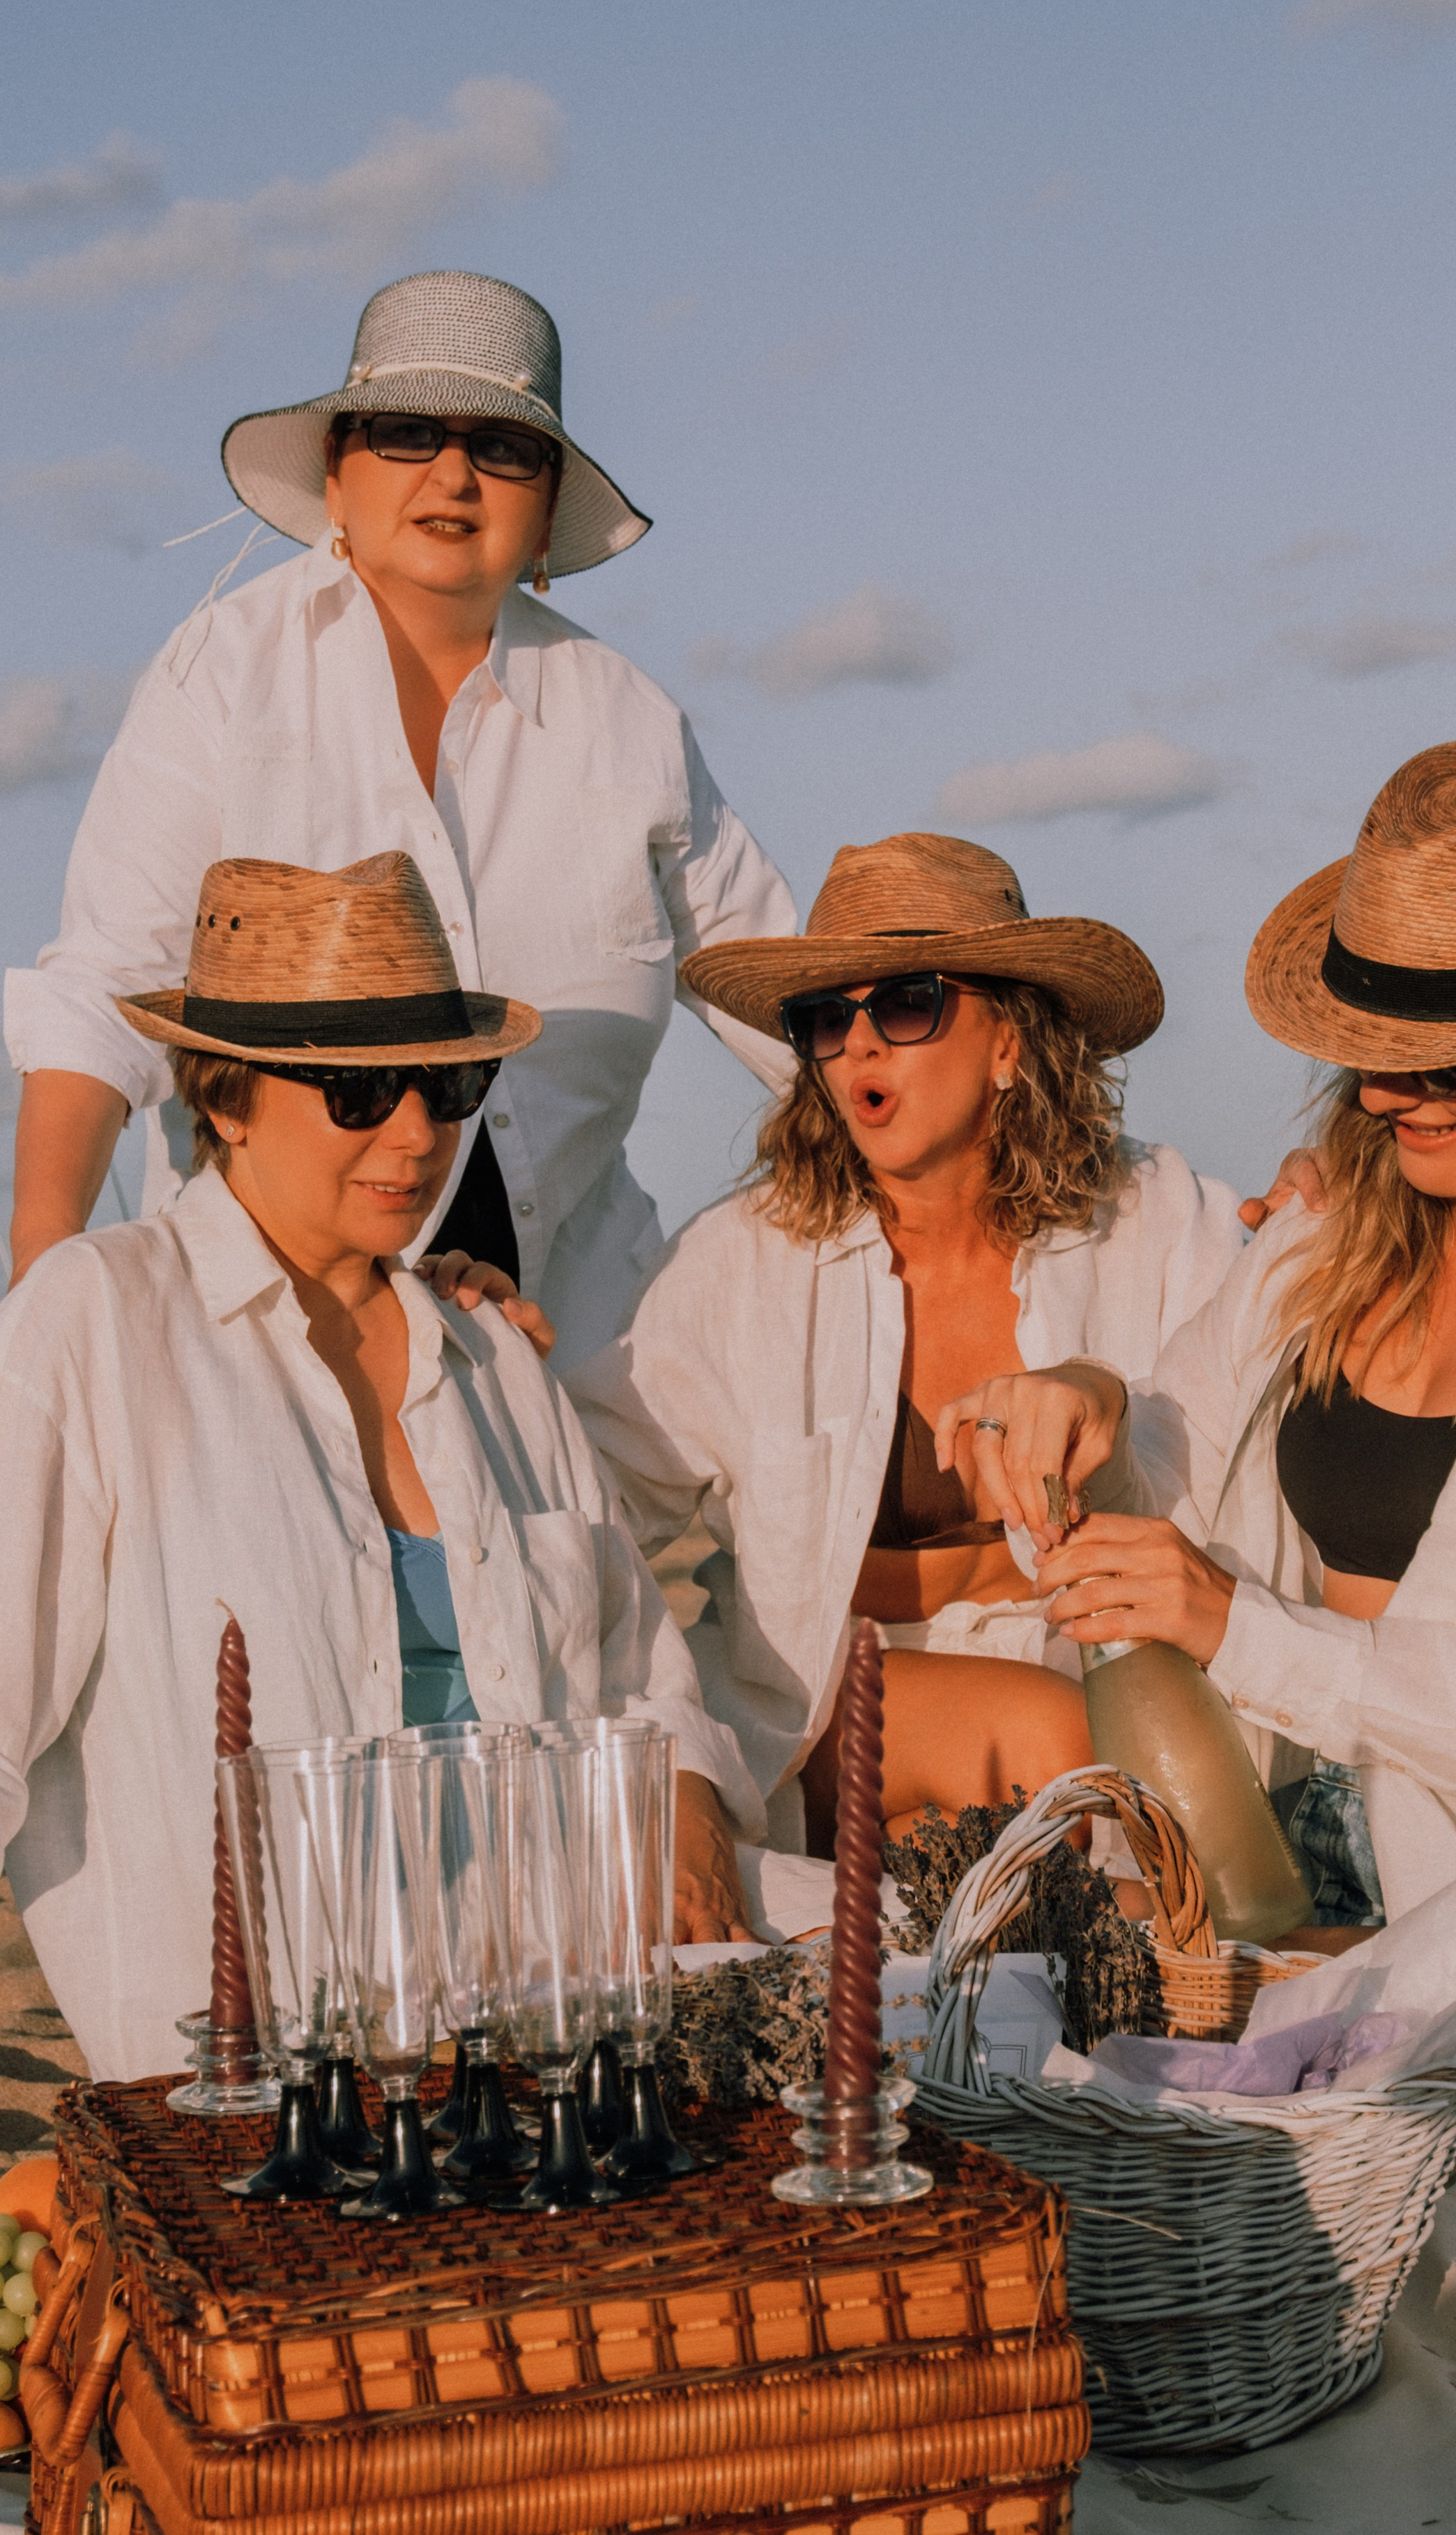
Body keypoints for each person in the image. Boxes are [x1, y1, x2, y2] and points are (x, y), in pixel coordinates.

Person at [937, 740, 1456, 2173]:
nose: (1404, 1088)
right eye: (1377, 1040)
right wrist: (1077, 1408)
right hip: (1278, 1906)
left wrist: (1227, 1624)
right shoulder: (1322, 1251)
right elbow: (1170, 1452)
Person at [0, 852, 760, 2085]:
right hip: (261, 2083)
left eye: (445, 1081)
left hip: (557, 2048)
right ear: (227, 1096)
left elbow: (642, 1675)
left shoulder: (499, 1363)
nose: (416, 1131)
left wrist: (687, 1794)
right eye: (357, 1089)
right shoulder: (98, 1323)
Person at [4, 270, 795, 1366]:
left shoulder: (634, 722)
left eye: (503, 447)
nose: (454, 475)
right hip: (260, 1345)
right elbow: (105, 986)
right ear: (336, 473)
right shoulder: (221, 674)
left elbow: (793, 1010)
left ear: (545, 504)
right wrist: (47, 1270)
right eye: (407, 431)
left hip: (573, 1348)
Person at [501, 831, 1242, 1855]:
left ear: (1008, 1041)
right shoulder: (749, 1262)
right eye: (826, 1019)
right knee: (1051, 1743)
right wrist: (484, 1356)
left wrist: (1320, 1192)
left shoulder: (1151, 1217)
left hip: (1102, 1719)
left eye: (905, 1004)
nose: (860, 1046)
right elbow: (589, 1493)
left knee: (1020, 1840)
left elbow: (1262, 1390)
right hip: (830, 1709)